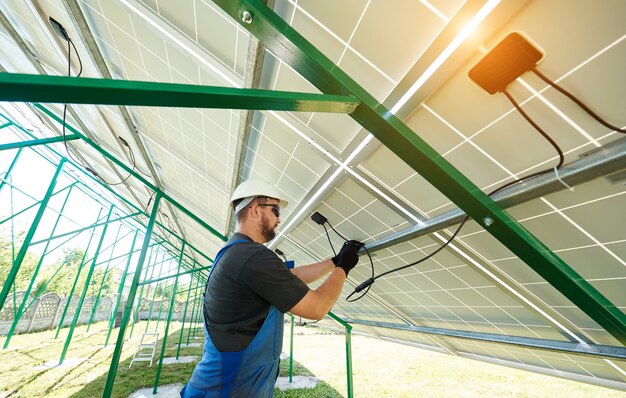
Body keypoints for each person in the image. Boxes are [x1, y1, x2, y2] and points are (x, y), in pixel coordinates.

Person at [181, 179, 362, 398]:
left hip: (226, 385)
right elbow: (317, 308)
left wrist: (334, 261)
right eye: (275, 210)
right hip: (228, 390)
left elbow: (290, 277)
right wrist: (344, 268)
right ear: (255, 209)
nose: (279, 219)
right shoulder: (251, 256)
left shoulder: (237, 253)